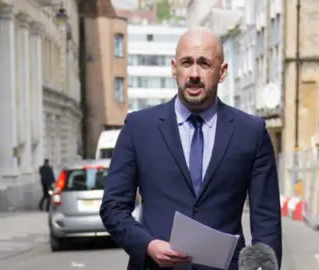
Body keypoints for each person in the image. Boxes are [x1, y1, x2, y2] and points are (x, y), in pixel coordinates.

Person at [99, 27, 282, 270]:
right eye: (187, 63)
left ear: (222, 71)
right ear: (174, 68)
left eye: (204, 64)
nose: (194, 73)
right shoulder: (139, 127)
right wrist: (148, 245)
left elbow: (266, 220)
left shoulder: (252, 132)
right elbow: (113, 207)